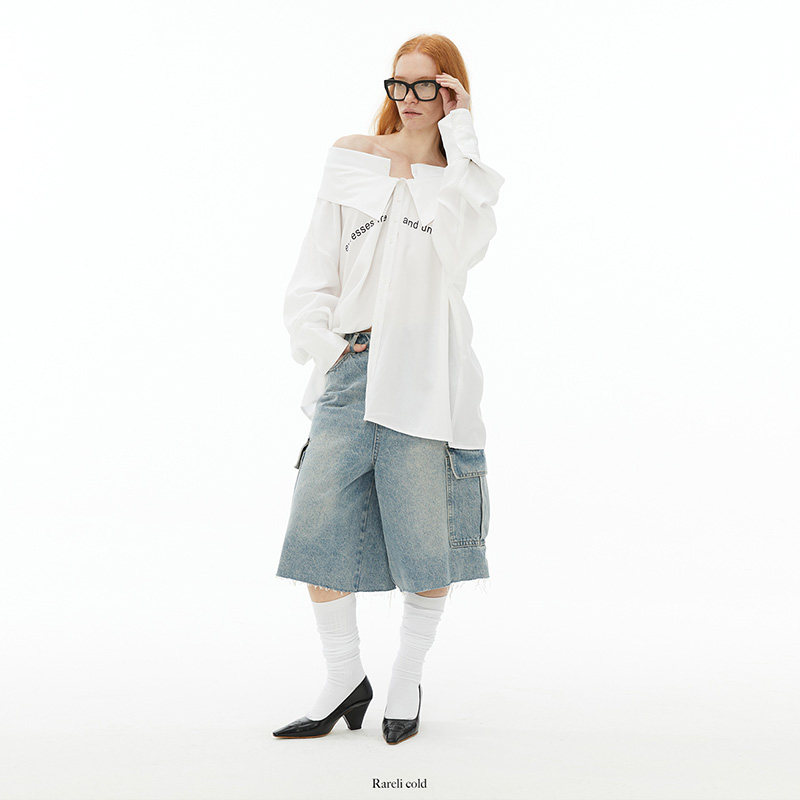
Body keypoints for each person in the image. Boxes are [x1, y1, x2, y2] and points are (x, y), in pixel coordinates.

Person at [272, 33, 505, 745]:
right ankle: (344, 676)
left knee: (424, 540)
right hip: (352, 368)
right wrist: (328, 346)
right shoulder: (353, 157)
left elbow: (463, 251)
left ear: (452, 91)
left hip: (428, 376)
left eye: (427, 86)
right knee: (316, 527)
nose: (409, 99)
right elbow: (314, 270)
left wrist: (461, 137)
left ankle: (406, 678)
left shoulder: (462, 182)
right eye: (398, 84)